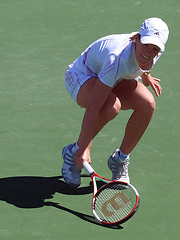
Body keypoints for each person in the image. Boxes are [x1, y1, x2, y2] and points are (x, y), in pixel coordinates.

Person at [62, 17, 169, 187]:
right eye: (146, 44)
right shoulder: (116, 59)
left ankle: (119, 160)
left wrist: (146, 77)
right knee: (111, 106)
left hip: (113, 78)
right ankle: (73, 152)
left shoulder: (154, 51)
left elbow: (146, 62)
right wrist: (84, 148)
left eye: (155, 47)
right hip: (81, 77)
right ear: (136, 38)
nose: (149, 52)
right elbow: (93, 107)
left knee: (147, 104)